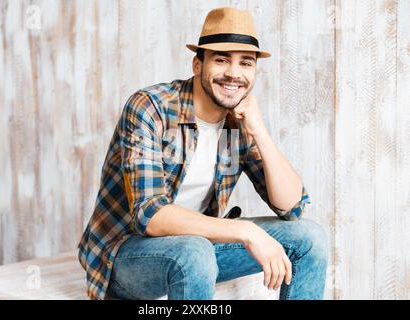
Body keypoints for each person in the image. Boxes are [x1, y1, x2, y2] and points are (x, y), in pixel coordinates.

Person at [77, 7, 328, 300]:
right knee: (193, 251)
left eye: (245, 63)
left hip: (198, 251)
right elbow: (150, 215)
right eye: (221, 60)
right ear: (198, 65)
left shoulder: (239, 124)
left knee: (309, 238)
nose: (234, 74)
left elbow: (291, 207)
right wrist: (247, 232)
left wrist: (260, 132)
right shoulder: (150, 107)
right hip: (125, 256)